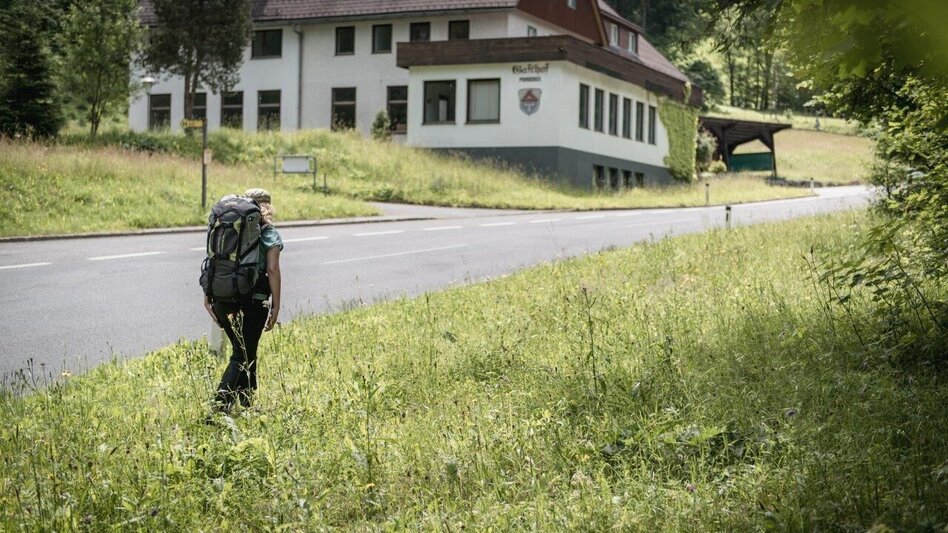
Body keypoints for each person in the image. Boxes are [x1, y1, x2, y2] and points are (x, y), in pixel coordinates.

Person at [203, 188, 283, 412]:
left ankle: (246, 404)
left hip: (222, 298)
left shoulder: (224, 227)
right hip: (253, 300)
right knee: (242, 353)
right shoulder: (269, 232)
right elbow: (273, 269)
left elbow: (213, 260)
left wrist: (208, 295)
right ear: (267, 207)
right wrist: (276, 306)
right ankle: (219, 408)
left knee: (246, 350)